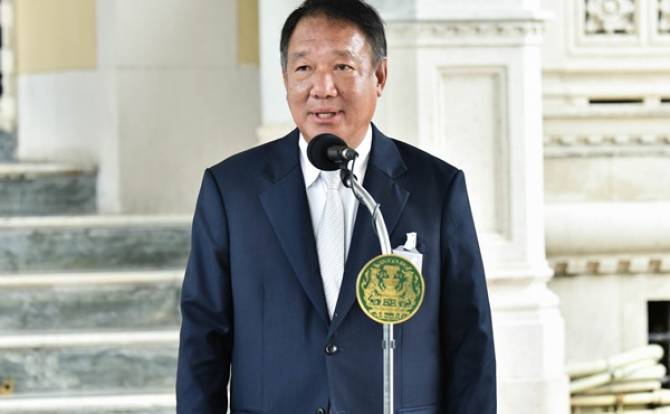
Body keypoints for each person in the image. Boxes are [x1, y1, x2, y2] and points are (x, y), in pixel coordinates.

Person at [176, 0, 496, 413]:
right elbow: (203, 341)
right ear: (285, 79)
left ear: (379, 76)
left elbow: (469, 341)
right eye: (304, 68)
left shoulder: (436, 188)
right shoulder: (232, 191)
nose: (322, 88)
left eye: (342, 67)